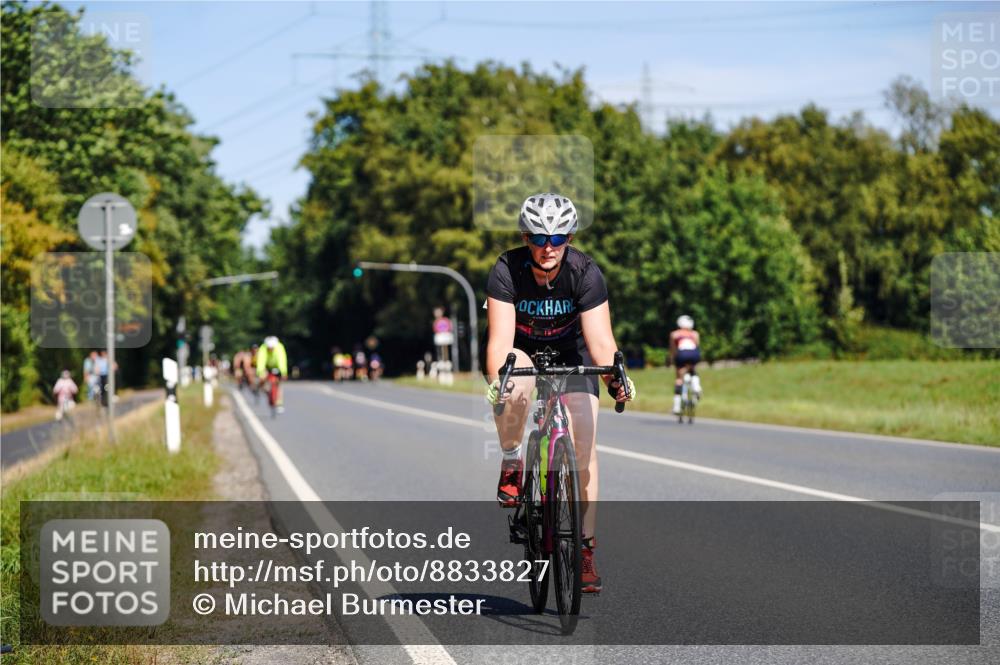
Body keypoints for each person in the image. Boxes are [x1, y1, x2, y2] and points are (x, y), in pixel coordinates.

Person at [482, 192, 635, 594]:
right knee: (515, 384)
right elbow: (499, 342)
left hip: (573, 354)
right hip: (523, 352)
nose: (548, 247)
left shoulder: (585, 272)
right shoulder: (506, 269)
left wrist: (615, 378)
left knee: (585, 441)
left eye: (558, 237)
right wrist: (500, 382)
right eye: (538, 237)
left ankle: (584, 548)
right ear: (525, 236)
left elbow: (601, 340)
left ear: (569, 237)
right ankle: (514, 460)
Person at [669, 314, 702, 415]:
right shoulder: (695, 334)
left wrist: (673, 360)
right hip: (694, 354)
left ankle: (677, 406)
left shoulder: (674, 334)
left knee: (679, 378)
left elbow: (673, 349)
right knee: (692, 369)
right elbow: (696, 346)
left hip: (682, 353)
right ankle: (696, 386)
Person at [256, 336, 288, 412]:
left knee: (278, 384)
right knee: (262, 379)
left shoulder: (279, 348)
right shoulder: (263, 348)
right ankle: (267, 392)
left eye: (272, 347)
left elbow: (282, 360)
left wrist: (283, 372)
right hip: (266, 367)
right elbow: (261, 361)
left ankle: (279, 403)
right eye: (269, 347)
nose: (270, 349)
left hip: (277, 367)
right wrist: (260, 372)